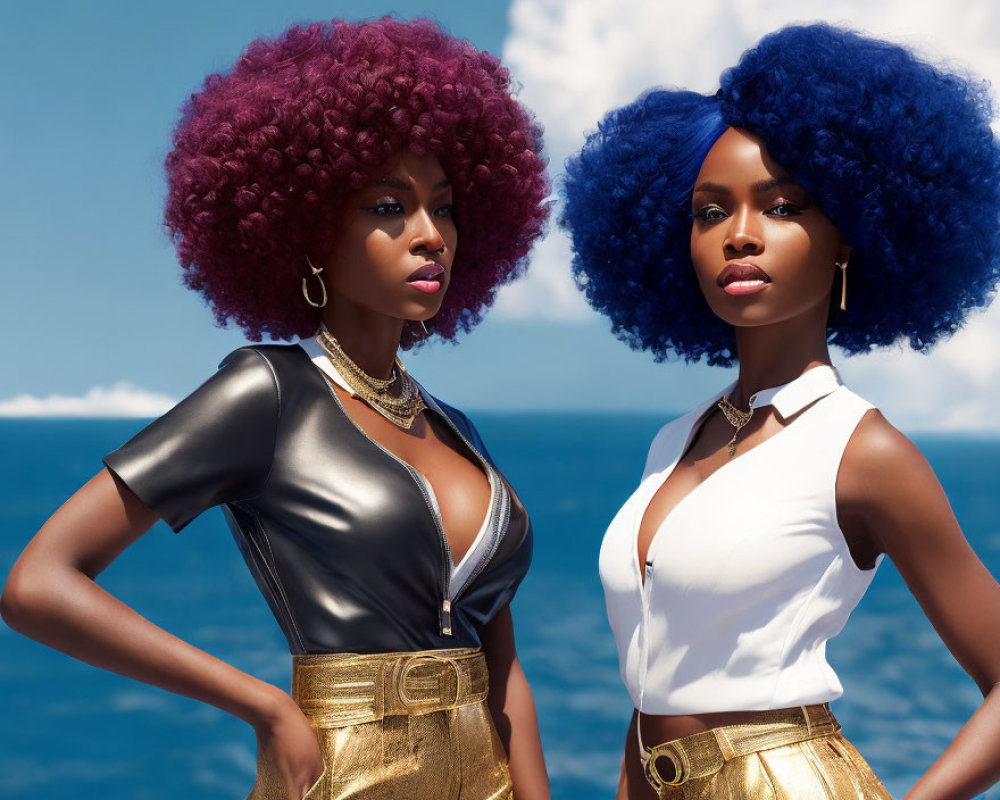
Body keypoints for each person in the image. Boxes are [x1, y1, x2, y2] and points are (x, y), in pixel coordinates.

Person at [1, 17, 551, 800]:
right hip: (348, 773)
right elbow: (38, 585)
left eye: (446, 207)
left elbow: (503, 674)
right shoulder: (268, 391)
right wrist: (262, 705)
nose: (430, 235)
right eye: (389, 206)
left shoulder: (457, 429)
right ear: (310, 226)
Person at [562, 23, 1000, 800]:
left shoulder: (860, 452)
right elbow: (655, 688)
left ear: (848, 241)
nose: (739, 237)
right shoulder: (674, 441)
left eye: (782, 206)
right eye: (707, 212)